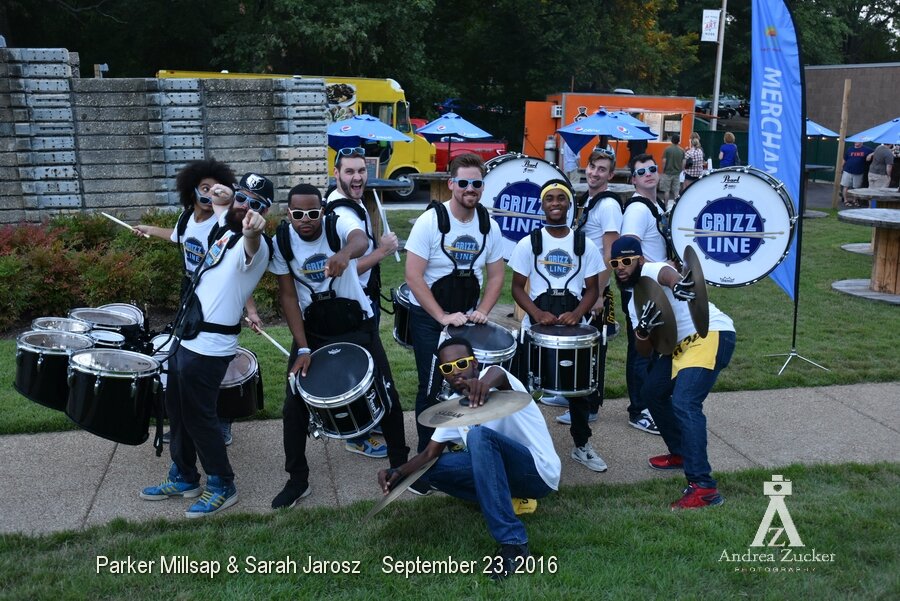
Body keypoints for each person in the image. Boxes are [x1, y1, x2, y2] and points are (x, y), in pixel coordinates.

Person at [139, 173, 272, 518]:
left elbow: (251, 242)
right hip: (189, 336)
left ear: (266, 213)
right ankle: (184, 475)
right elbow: (220, 200)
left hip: (212, 345)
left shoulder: (253, 242)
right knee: (177, 410)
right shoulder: (223, 229)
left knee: (200, 416)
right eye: (244, 199)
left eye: (257, 205)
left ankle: (222, 484)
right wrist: (224, 194)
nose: (247, 207)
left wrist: (254, 229)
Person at [269, 183, 409, 508]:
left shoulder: (336, 224)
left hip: (355, 322)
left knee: (386, 393)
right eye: (299, 214)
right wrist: (302, 349)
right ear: (289, 214)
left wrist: (344, 254)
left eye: (313, 212)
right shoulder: (282, 241)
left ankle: (400, 465)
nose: (307, 219)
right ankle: (297, 479)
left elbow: (359, 239)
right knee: (293, 404)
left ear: (323, 211)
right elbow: (288, 296)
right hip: (313, 330)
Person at [377, 337, 560, 581]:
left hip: (538, 473)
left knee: (479, 437)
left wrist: (483, 383)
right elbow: (428, 454)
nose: (456, 372)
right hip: (503, 471)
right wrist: (398, 471)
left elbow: (498, 372)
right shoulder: (455, 408)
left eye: (462, 363)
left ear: (474, 363)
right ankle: (504, 500)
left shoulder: (500, 381)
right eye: (447, 369)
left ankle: (514, 544)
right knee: (427, 471)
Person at [134, 159, 257, 447]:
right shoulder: (187, 218)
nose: (210, 193)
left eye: (216, 188)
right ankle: (186, 423)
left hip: (218, 298)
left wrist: (250, 309)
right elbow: (178, 237)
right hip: (191, 295)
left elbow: (237, 271)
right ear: (191, 190)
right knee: (185, 362)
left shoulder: (224, 223)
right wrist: (149, 229)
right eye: (204, 187)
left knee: (214, 364)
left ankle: (222, 422)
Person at [612, 237, 736, 509]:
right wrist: (643, 331)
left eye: (626, 261)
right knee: (651, 393)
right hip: (679, 347)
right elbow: (644, 351)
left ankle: (704, 487)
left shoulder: (650, 270)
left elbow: (667, 274)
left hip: (709, 333)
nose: (621, 267)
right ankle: (681, 452)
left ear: (639, 260)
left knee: (685, 402)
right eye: (615, 263)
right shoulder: (635, 300)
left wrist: (678, 284)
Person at [404, 153, 505, 453]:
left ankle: (456, 438)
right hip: (428, 316)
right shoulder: (430, 221)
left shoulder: (489, 225)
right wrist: (442, 316)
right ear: (451, 184)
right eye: (463, 182)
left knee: (465, 381)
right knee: (432, 385)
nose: (470, 188)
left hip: (466, 318)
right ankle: (426, 457)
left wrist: (483, 311)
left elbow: (497, 275)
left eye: (477, 183)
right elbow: (413, 276)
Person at [510, 181, 606, 472]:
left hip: (573, 324)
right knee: (526, 386)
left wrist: (578, 313)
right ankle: (526, 444)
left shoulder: (583, 243)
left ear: (568, 204)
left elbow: (592, 288)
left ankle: (581, 444)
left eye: (561, 199)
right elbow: (516, 288)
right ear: (542, 204)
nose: (555, 203)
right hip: (539, 324)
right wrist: (537, 313)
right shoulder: (530, 242)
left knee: (579, 389)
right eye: (549, 198)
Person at [327, 146, 400, 458]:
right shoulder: (341, 211)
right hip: (349, 305)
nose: (357, 177)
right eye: (349, 171)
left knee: (367, 369)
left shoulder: (355, 203)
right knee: (360, 370)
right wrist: (382, 251)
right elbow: (349, 267)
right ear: (337, 174)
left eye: (361, 171)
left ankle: (367, 423)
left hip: (361, 301)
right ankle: (358, 434)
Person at [553, 148, 621, 427]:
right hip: (578, 284)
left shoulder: (608, 206)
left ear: (611, 174)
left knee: (593, 350)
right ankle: (570, 394)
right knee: (575, 345)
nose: (595, 173)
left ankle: (589, 406)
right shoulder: (586, 200)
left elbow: (610, 253)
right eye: (592, 167)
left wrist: (600, 294)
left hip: (594, 288)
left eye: (602, 169)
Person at [841, 142, 874, 206]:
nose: (856, 142)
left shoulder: (867, 149)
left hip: (859, 172)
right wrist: (841, 167)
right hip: (848, 170)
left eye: (857, 141)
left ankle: (854, 201)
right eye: (855, 141)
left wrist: (870, 155)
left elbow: (876, 151)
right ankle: (845, 201)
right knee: (845, 186)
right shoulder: (850, 149)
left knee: (856, 188)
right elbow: (844, 159)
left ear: (861, 142)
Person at [660, 134, 683, 208]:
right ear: (678, 141)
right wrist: (680, 170)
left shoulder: (667, 149)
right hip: (677, 173)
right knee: (676, 191)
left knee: (667, 190)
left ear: (671, 140)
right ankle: (676, 206)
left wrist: (663, 170)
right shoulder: (681, 150)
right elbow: (684, 162)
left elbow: (664, 161)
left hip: (667, 172)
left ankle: (665, 205)